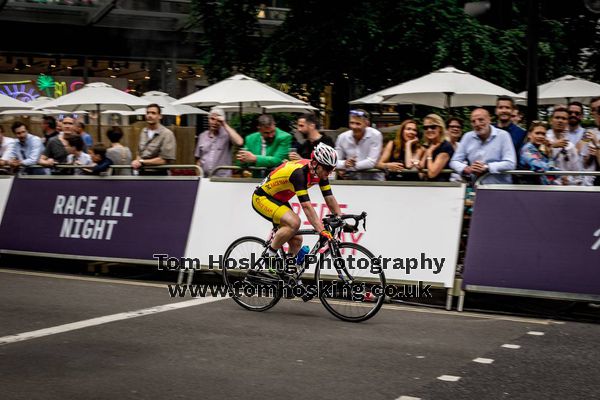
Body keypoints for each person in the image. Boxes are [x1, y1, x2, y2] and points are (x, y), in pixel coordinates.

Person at [252, 143, 343, 272]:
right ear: (316, 163)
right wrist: (321, 230)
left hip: (279, 199)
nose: (329, 173)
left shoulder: (320, 172)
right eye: (327, 169)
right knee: (294, 223)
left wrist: (341, 219)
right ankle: (270, 255)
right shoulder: (299, 174)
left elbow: (329, 198)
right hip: (262, 197)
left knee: (297, 240)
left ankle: (287, 275)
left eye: (332, 169)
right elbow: (306, 206)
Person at [450, 108, 516, 184]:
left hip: (500, 188)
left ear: (489, 120)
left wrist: (487, 167)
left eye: (481, 120)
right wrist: (466, 168)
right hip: (476, 187)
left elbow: (510, 163)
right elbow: (454, 161)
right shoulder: (467, 137)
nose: (477, 124)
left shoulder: (503, 135)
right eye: (473, 121)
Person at [335, 109, 384, 181]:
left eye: (358, 124)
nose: (354, 126)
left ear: (367, 124)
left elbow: (371, 162)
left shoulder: (376, 135)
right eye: (351, 123)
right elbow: (334, 161)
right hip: (351, 181)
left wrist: (349, 167)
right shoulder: (342, 137)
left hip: (374, 181)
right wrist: (345, 163)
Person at [194, 107, 243, 177]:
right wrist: (199, 175)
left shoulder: (227, 134)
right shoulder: (202, 136)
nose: (215, 122)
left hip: (223, 178)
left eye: (218, 120)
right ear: (208, 119)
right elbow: (198, 159)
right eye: (212, 119)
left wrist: (224, 124)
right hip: (205, 178)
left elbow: (239, 142)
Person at [131, 103, 176, 176]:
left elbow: (164, 160)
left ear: (160, 116)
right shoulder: (143, 131)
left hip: (159, 175)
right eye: (148, 113)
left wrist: (142, 161)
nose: (149, 115)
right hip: (142, 173)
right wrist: (137, 161)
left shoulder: (167, 134)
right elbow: (139, 153)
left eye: (153, 113)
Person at [546, 106, 581, 185]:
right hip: (546, 187)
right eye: (557, 117)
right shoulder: (543, 140)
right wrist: (552, 147)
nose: (560, 121)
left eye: (564, 118)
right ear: (551, 120)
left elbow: (577, 174)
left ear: (567, 123)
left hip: (565, 189)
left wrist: (569, 180)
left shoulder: (570, 146)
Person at [418, 114, 454, 181]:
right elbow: (420, 166)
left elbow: (432, 173)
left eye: (433, 127)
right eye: (425, 128)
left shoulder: (445, 147)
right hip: (425, 186)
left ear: (440, 128)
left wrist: (429, 154)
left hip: (441, 188)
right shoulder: (427, 145)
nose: (429, 130)